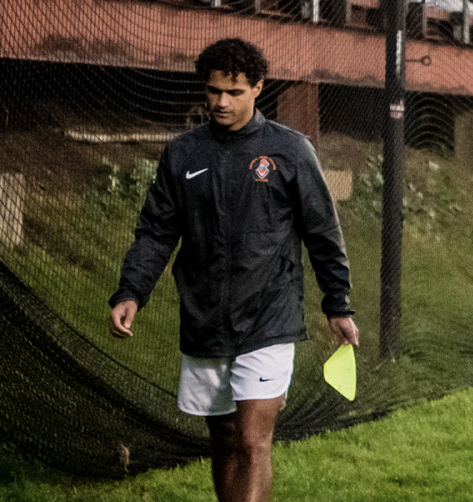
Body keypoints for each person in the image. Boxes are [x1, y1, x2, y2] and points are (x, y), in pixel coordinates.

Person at [109, 38, 358, 502]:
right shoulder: (184, 154)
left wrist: (337, 304)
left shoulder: (290, 150)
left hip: (269, 317)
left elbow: (323, 233)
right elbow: (156, 231)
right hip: (203, 317)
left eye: (234, 92)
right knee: (223, 440)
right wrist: (131, 292)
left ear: (258, 88)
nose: (221, 102)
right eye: (214, 91)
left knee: (251, 441)